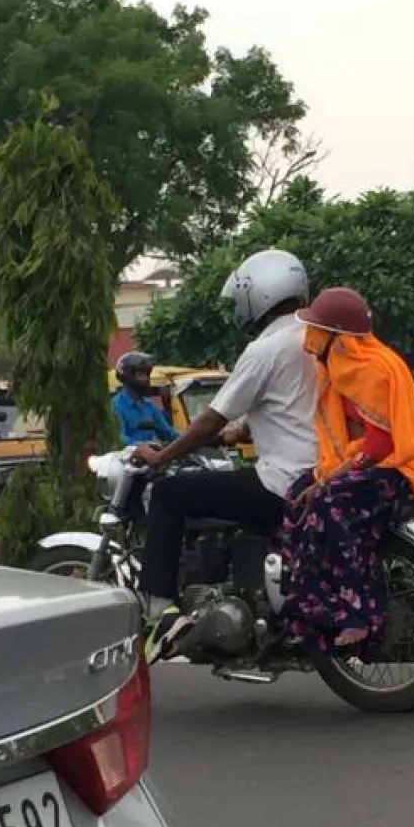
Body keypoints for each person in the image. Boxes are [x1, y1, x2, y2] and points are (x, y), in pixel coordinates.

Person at [133, 249, 318, 662]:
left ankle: (160, 611)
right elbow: (294, 404)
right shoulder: (317, 337)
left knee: (170, 494)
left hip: (282, 482)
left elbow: (207, 423)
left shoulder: (264, 349)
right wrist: (240, 433)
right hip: (321, 474)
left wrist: (163, 458)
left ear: (260, 297)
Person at [280, 286, 414, 651]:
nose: (309, 337)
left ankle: (358, 611)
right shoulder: (339, 369)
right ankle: (308, 608)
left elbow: (381, 445)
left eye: (317, 330)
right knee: (296, 498)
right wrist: (324, 476)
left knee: (329, 505)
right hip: (375, 463)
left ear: (337, 338)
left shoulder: (368, 369)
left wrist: (329, 480)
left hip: (401, 467)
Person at [112, 352, 179, 446]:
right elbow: (119, 440)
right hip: (127, 458)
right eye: (141, 375)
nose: (146, 379)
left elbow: (168, 432)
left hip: (153, 457)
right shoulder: (116, 406)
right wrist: (143, 447)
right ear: (127, 376)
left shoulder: (149, 406)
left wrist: (188, 440)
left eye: (147, 375)